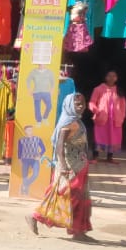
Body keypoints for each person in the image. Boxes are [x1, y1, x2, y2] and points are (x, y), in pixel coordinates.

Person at [28, 93, 94, 242]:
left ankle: (78, 231)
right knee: (66, 197)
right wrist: (63, 166)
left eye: (83, 103)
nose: (81, 106)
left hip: (80, 166)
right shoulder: (67, 123)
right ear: (69, 105)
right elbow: (59, 146)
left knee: (80, 198)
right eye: (77, 104)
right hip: (70, 168)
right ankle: (35, 217)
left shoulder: (77, 121)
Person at [89, 70, 126, 163]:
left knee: (113, 137)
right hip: (102, 118)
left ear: (117, 78)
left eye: (114, 76)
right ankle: (95, 157)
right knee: (98, 137)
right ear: (105, 77)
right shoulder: (98, 89)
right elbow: (92, 102)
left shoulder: (119, 90)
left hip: (115, 120)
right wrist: (97, 111)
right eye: (109, 76)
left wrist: (122, 116)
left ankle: (110, 157)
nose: (111, 78)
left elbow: (123, 105)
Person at [16, 125, 47, 196]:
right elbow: (19, 151)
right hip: (25, 159)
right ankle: (25, 191)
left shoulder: (38, 139)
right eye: (29, 130)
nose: (31, 131)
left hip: (34, 160)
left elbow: (43, 149)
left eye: (31, 130)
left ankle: (24, 185)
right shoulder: (21, 140)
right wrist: (19, 159)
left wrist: (39, 155)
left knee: (35, 174)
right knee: (25, 175)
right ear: (25, 131)